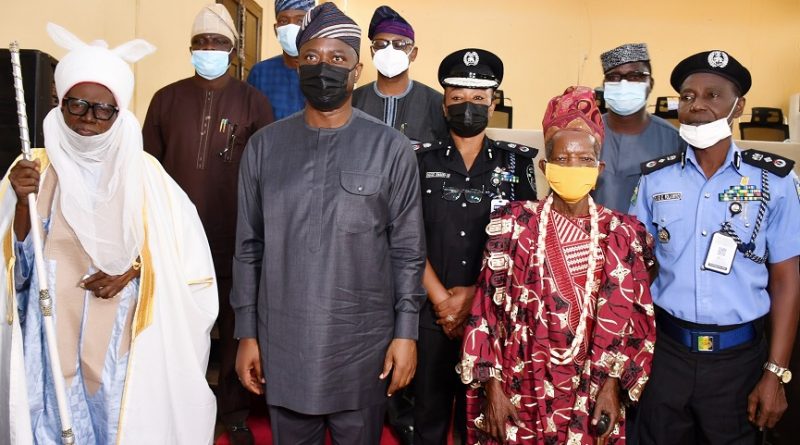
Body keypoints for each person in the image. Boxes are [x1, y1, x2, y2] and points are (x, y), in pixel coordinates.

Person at [0, 23, 218, 444]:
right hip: (50, 333)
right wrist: (21, 201)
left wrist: (133, 269)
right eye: (77, 105)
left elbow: (184, 264)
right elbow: (15, 267)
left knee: (116, 424)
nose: (88, 119)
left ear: (120, 113)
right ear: (59, 103)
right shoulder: (33, 168)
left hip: (120, 337)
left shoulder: (147, 174)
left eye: (103, 110)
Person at [231, 3, 426, 444]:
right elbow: (248, 248)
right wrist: (246, 333)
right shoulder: (264, 147)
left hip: (364, 346)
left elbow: (408, 250)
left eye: (337, 58)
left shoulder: (390, 148)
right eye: (312, 57)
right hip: (284, 342)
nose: (324, 67)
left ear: (356, 70)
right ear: (298, 66)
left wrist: (406, 334)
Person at [459, 86, 656, 445]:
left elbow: (636, 320)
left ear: (599, 168)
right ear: (544, 166)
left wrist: (612, 387)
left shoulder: (623, 233)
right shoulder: (514, 224)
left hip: (592, 390)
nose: (573, 167)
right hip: (520, 384)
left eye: (584, 159)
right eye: (562, 159)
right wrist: (493, 388)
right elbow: (485, 310)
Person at [631, 50, 800, 445]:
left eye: (713, 95)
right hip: (666, 354)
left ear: (738, 106)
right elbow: (638, 269)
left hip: (739, 362)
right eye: (688, 97)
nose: (697, 105)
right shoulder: (655, 180)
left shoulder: (774, 182)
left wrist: (775, 373)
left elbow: (786, 279)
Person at [142, 5, 273, 444]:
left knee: (236, 327)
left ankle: (233, 412)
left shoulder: (254, 102)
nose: (209, 49)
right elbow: (146, 169)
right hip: (176, 239)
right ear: (190, 48)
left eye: (217, 42)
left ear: (232, 51)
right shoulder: (165, 99)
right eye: (201, 42)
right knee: (178, 326)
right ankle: (179, 402)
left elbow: (267, 173)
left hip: (235, 236)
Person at [412, 48, 537, 445]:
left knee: (482, 421)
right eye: (458, 97)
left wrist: (473, 297)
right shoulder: (418, 160)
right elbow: (404, 235)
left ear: (493, 103)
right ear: (444, 103)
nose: (468, 106)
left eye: (479, 98)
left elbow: (524, 242)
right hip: (430, 313)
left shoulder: (516, 164)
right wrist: (443, 301)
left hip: (491, 313)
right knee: (427, 416)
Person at [593, 43, 682, 212]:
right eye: (614, 77)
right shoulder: (585, 133)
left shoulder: (674, 141)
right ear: (605, 85)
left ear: (651, 83)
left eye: (635, 76)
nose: (623, 84)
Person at [352, 5, 447, 143]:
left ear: (413, 53)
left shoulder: (435, 103)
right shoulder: (353, 101)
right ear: (372, 51)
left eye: (400, 44)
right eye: (381, 44)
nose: (389, 51)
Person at [247, 0, 315, 120]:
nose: (291, 27)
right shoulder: (260, 73)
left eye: (300, 21)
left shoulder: (322, 71)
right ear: (276, 29)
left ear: (312, 27)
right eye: (283, 21)